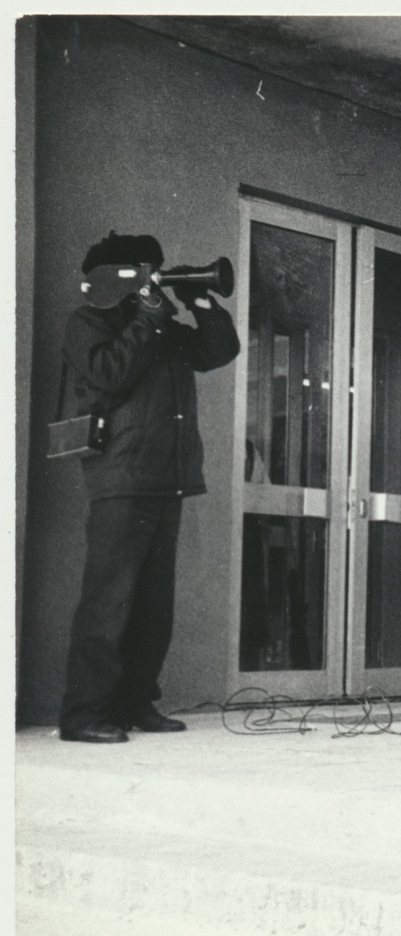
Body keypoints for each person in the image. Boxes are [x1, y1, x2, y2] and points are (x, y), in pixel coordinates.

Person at [59, 231, 240, 743]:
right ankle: (83, 714)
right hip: (120, 477)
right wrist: (148, 316)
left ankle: (135, 703)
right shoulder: (88, 322)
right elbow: (108, 374)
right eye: (144, 272)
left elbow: (219, 350)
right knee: (109, 600)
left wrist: (201, 302)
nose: (153, 279)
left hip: (166, 478)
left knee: (153, 605)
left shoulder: (161, 325)